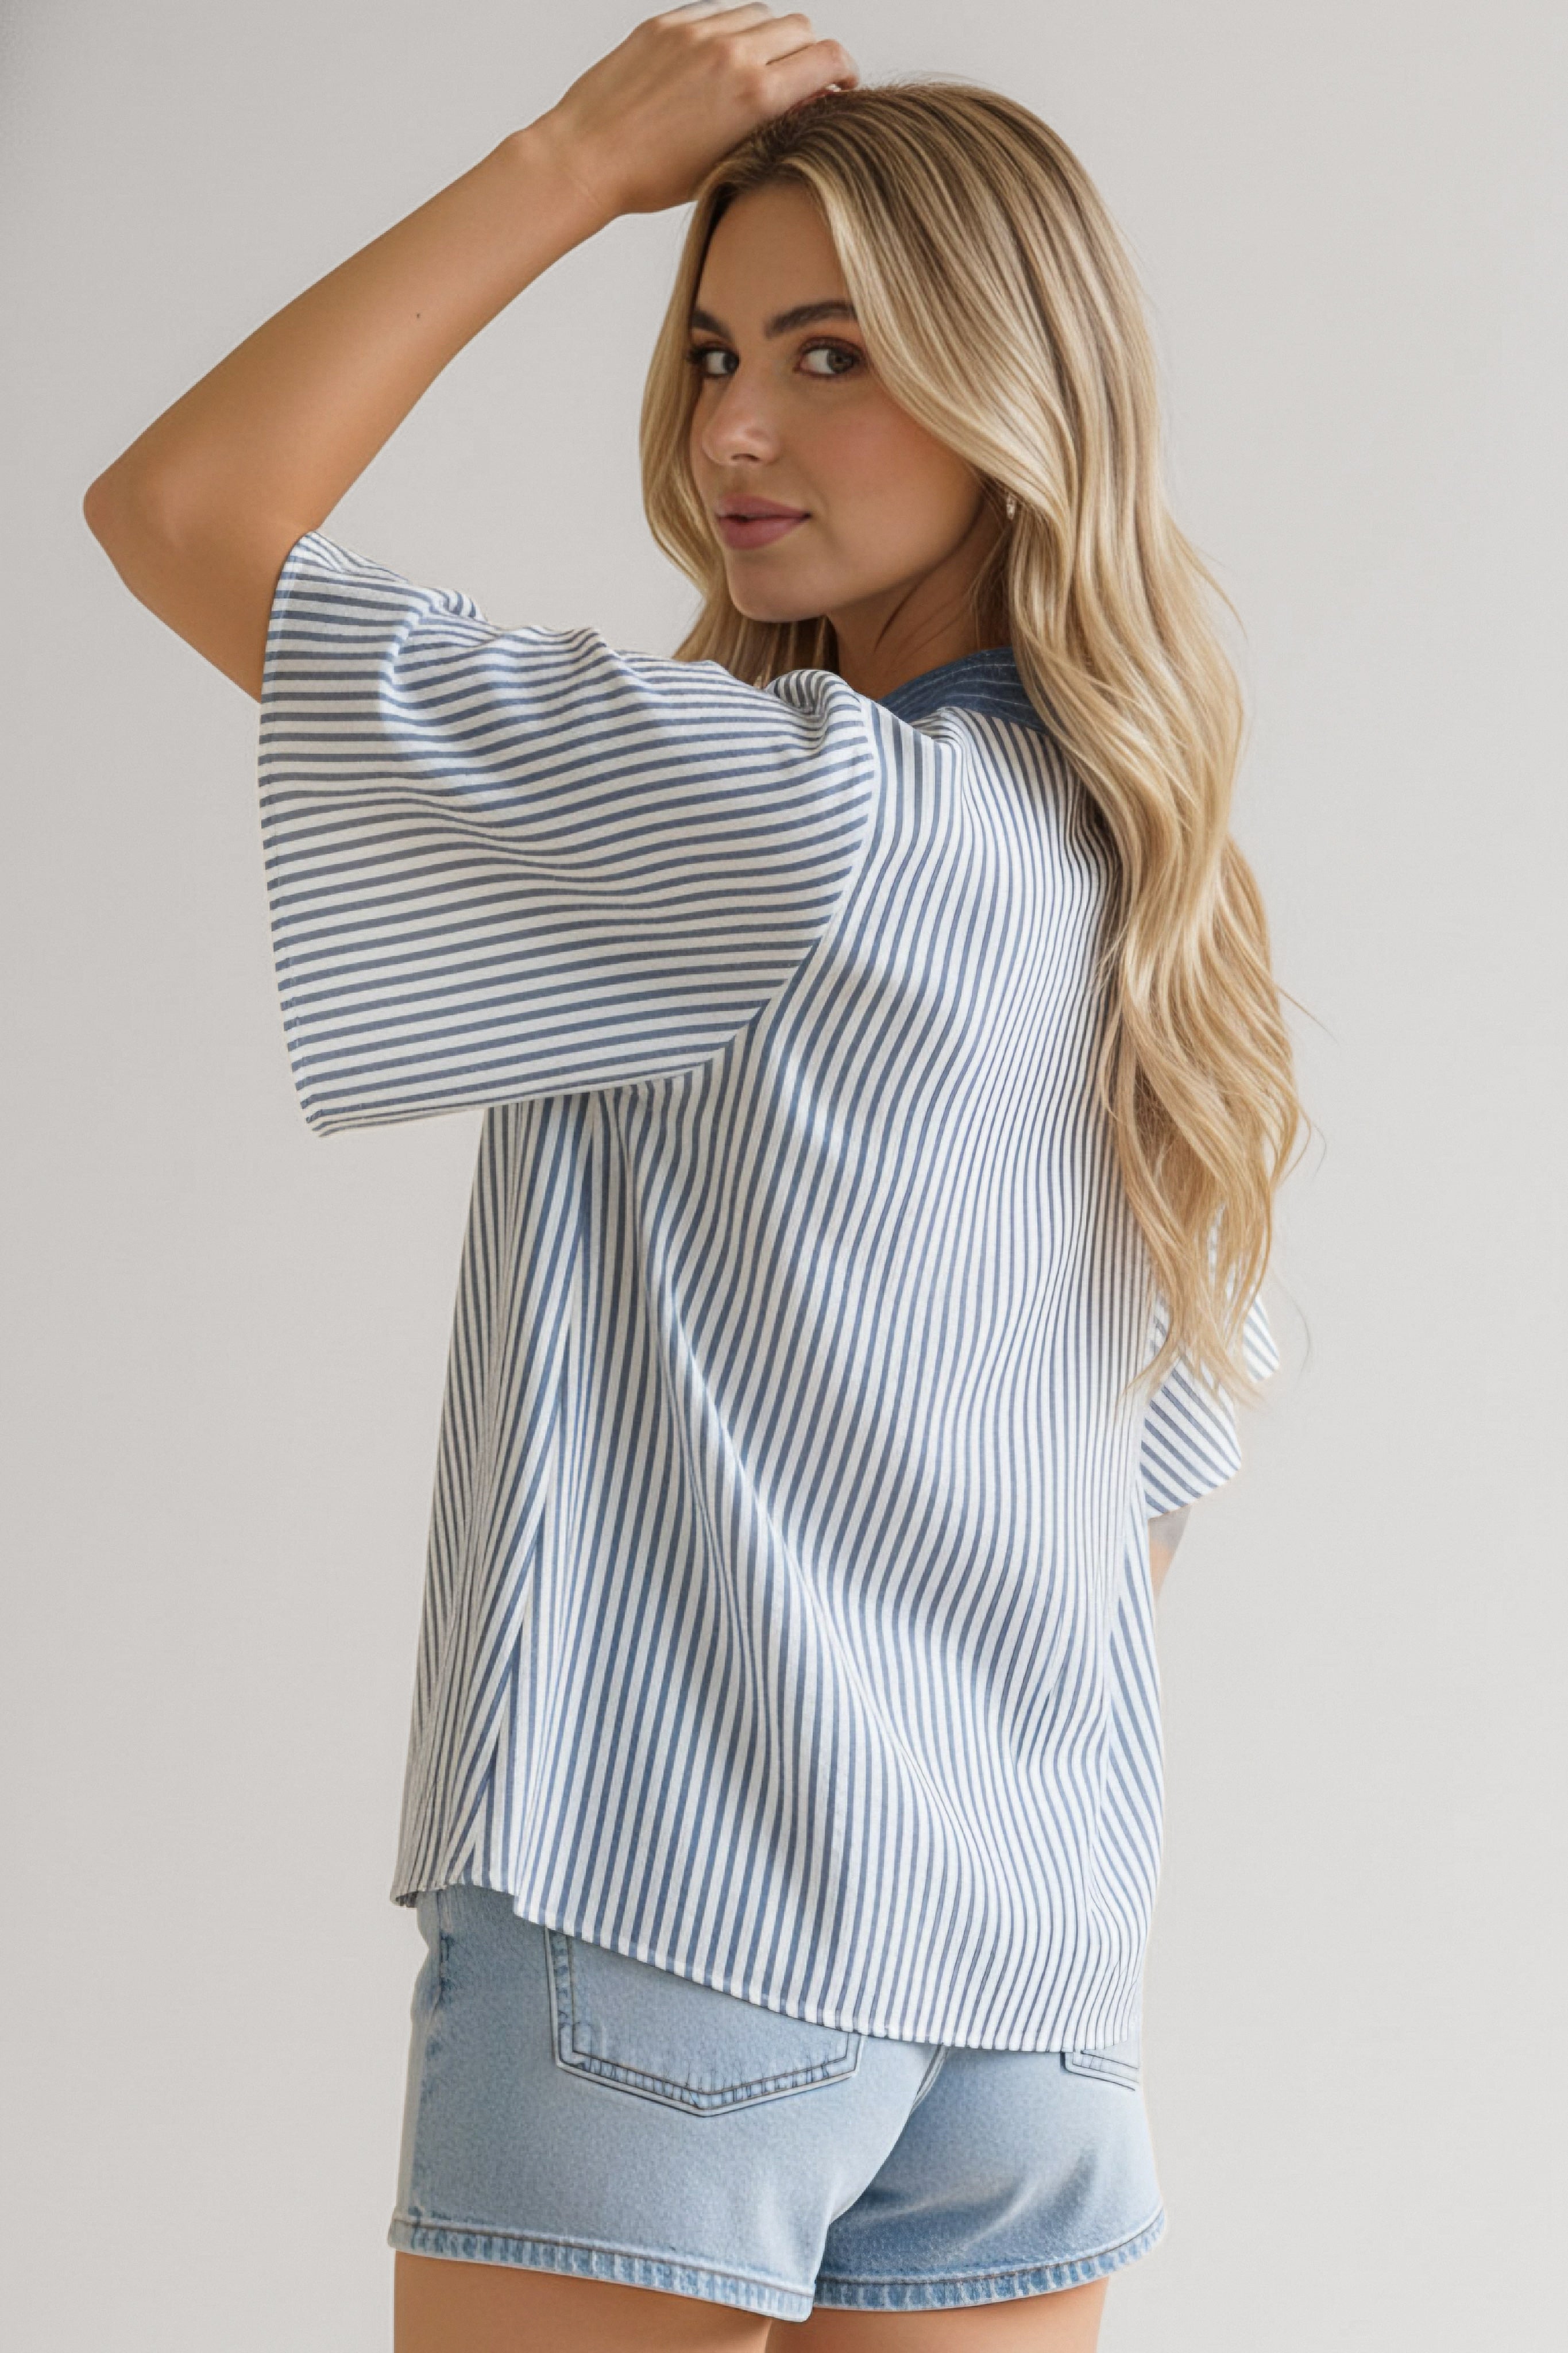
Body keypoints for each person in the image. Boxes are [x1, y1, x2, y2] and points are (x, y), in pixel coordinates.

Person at [83, 6, 1305, 2347]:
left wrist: (572, 158)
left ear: (1009, 383)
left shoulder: (786, 803)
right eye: (715, 347)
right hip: (1028, 2011)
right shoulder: (1156, 891)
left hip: (672, 1934)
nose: (728, 427)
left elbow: (182, 508)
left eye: (831, 355)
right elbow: (1134, 1501)